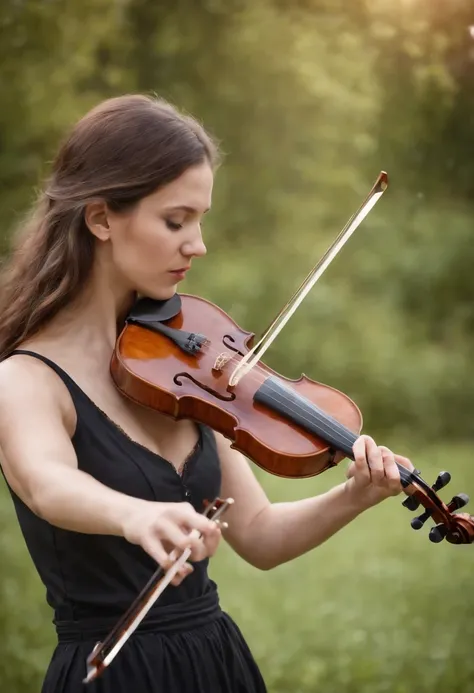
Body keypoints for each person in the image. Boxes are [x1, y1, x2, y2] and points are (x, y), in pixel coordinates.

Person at [0, 94, 413, 693]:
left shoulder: (183, 371)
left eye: (200, 220)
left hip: (216, 663)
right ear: (101, 219)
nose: (197, 244)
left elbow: (263, 535)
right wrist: (133, 515)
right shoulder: (25, 377)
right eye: (175, 220)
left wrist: (353, 497)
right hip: (115, 676)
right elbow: (46, 483)